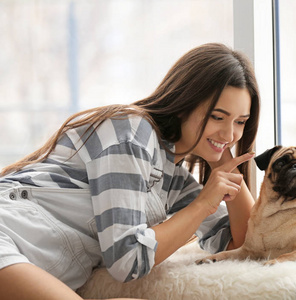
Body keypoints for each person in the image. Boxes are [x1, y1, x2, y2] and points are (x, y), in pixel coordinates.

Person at [0, 43, 260, 300]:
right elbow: (127, 260)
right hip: (9, 235)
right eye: (218, 117)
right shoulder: (133, 134)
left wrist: (222, 160)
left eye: (240, 122)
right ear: (184, 105)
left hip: (30, 259)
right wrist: (203, 204)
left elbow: (246, 243)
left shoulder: (175, 182)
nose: (230, 134)